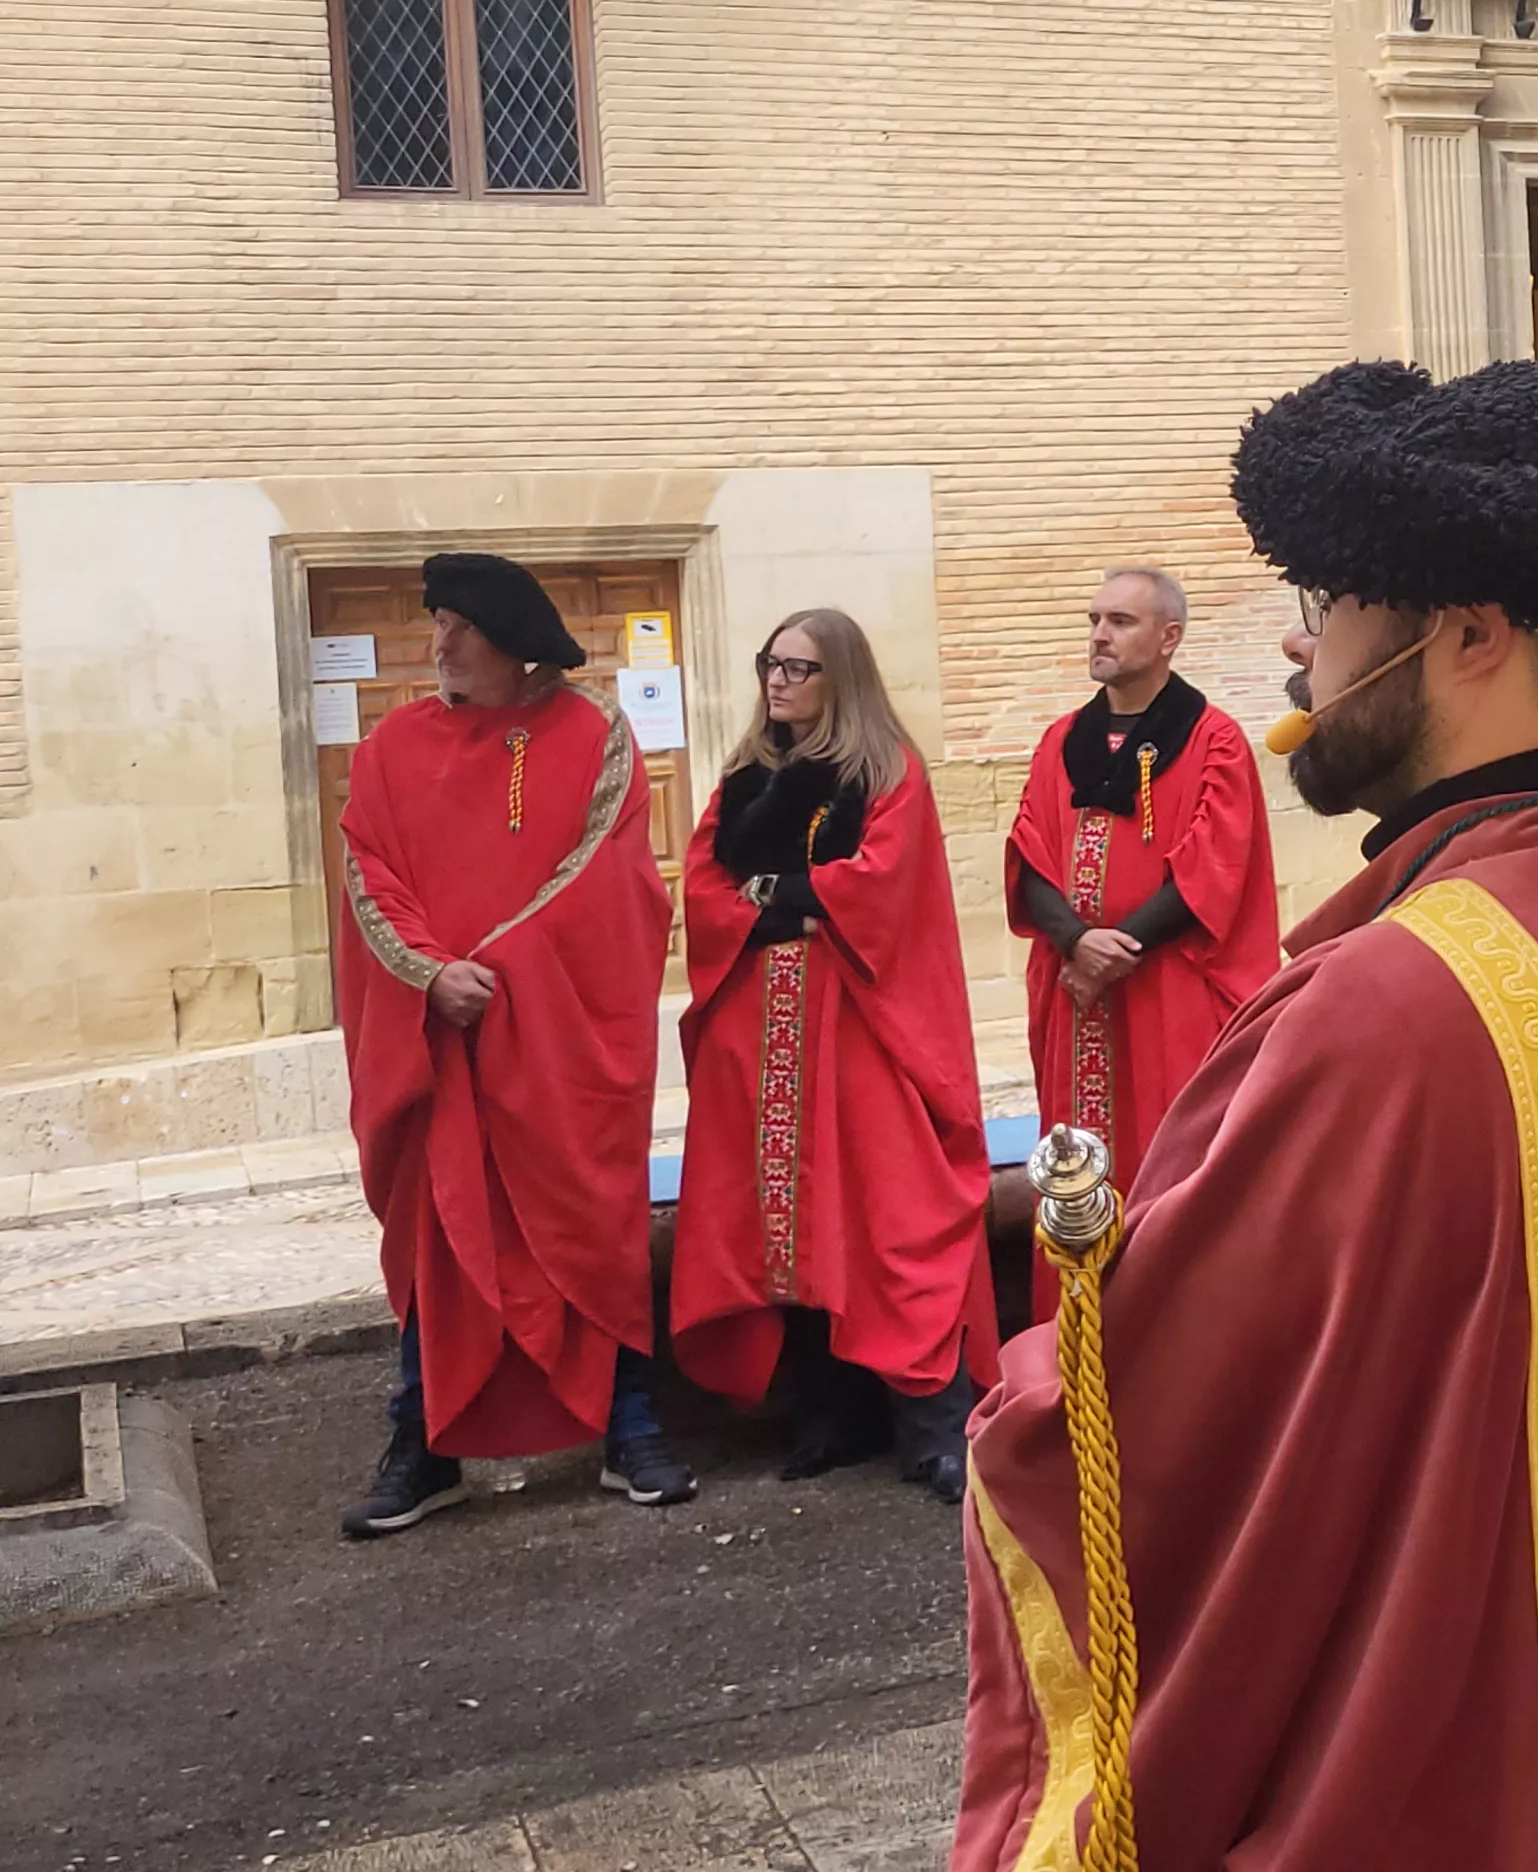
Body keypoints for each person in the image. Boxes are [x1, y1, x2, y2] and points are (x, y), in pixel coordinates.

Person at [954, 360, 1538, 1871]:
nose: (1310, 651)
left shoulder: (1391, 1008)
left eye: (1341, 602)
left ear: (1469, 634)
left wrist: (1019, 1312)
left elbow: (1154, 1434)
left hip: (1485, 1791)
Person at [332, 553, 687, 1534]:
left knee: (585, 1219)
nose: (437, 644)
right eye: (436, 622)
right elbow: (368, 869)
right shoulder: (389, 747)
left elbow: (608, 873)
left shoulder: (593, 733)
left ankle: (628, 1423)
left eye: (459, 627)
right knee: (441, 1233)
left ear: (518, 646)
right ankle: (426, 1442)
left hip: (553, 1044)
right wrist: (429, 976)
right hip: (436, 1045)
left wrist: (493, 967)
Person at [674, 608, 996, 1504]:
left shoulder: (888, 772)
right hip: (760, 1040)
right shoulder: (743, 776)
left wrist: (777, 892)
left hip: (858, 1030)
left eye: (800, 668)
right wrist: (798, 903)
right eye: (770, 663)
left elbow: (881, 888)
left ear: (840, 677)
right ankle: (825, 1417)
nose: (779, 681)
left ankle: (930, 1425)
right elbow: (705, 889)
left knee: (888, 1213)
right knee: (788, 1228)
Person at [1002, 567, 1280, 1300]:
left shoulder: (1213, 741)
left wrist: (1113, 951)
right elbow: (1030, 854)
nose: (1098, 634)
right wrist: (1074, 942)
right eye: (1094, 618)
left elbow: (1212, 870)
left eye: (1120, 621)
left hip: (1166, 994)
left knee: (1168, 1162)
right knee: (1075, 1175)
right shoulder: (1062, 739)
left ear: (1169, 639)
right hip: (1078, 999)